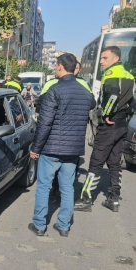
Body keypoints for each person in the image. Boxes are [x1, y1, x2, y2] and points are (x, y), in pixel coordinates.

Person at [28, 53, 94, 237]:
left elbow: (45, 123)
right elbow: (90, 106)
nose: (55, 69)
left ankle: (39, 225)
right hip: (73, 150)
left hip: (51, 149)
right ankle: (63, 226)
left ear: (60, 66)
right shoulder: (85, 92)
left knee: (43, 186)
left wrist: (36, 148)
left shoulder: (55, 91)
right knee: (67, 187)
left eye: (56, 66)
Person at [74, 46, 134, 212]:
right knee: (114, 163)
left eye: (105, 58)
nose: (100, 61)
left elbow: (113, 96)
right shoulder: (129, 75)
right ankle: (114, 199)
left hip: (110, 125)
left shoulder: (111, 74)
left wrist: (107, 114)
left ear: (115, 59)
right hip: (122, 125)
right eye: (101, 58)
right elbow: (133, 102)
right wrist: (127, 114)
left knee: (96, 162)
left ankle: (86, 199)